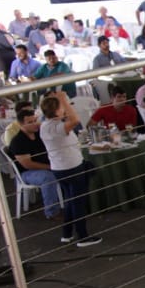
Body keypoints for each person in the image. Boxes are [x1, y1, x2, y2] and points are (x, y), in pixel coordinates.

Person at [39, 90, 100, 246]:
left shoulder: (46, 125)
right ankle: (83, 236)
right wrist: (64, 101)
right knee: (78, 202)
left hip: (59, 168)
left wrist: (62, 104)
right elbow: (75, 119)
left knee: (70, 201)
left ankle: (67, 233)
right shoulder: (56, 128)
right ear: (57, 110)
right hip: (71, 167)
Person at [7, 107, 63, 218]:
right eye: (30, 122)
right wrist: (50, 167)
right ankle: (52, 212)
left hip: (45, 166)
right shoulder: (18, 141)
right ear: (21, 124)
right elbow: (27, 164)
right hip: (26, 173)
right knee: (48, 177)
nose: (35, 124)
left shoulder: (38, 134)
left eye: (35, 121)